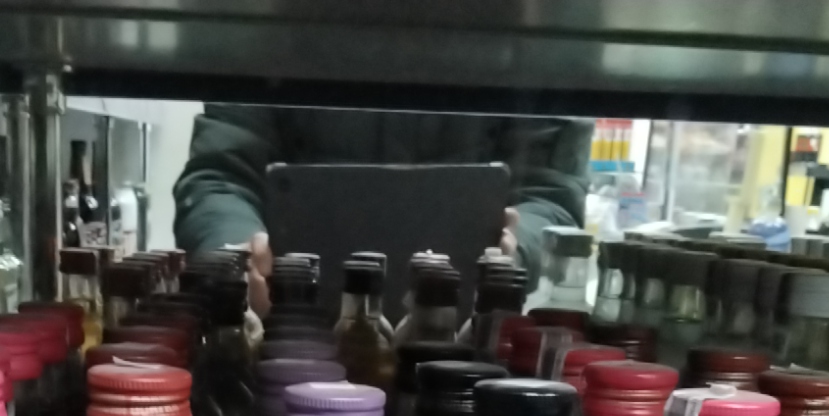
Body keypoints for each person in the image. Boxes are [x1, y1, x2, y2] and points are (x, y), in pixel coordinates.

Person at [173, 105, 593, 313]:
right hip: (286, 327)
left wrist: (516, 248)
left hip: (467, 339)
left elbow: (551, 195)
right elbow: (220, 176)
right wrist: (237, 254)